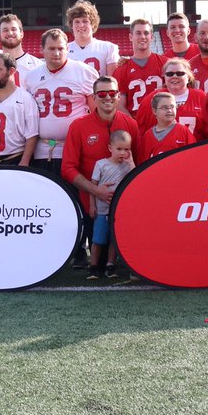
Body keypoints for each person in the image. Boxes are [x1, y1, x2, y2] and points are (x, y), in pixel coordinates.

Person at [62, 76, 137, 272]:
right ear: (94, 98)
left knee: (117, 260)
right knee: (98, 257)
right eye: (102, 94)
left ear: (118, 96)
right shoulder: (79, 126)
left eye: (112, 93)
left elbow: (139, 164)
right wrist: (95, 191)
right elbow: (68, 168)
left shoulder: (130, 125)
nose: (107, 98)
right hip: (91, 205)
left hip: (123, 203)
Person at [26, 28, 98, 172]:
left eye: (60, 48)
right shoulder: (31, 76)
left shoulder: (83, 71)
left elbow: (96, 113)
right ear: (42, 50)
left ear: (67, 49)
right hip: (41, 150)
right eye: (51, 49)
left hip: (74, 149)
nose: (57, 53)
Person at [87, 129, 135, 280]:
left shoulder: (128, 167)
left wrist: (132, 162)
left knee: (114, 240)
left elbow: (135, 181)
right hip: (101, 210)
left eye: (126, 149)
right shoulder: (101, 164)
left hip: (118, 212)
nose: (122, 152)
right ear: (110, 148)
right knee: (98, 240)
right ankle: (93, 266)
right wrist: (92, 206)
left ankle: (110, 265)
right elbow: (92, 187)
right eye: (119, 149)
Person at [135, 58, 207, 137]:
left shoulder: (201, 97)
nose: (174, 76)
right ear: (164, 77)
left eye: (180, 73)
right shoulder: (152, 98)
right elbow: (142, 131)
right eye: (170, 74)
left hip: (194, 148)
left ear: (188, 77)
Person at [112, 18, 165, 116]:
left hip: (162, 122)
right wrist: (134, 125)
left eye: (146, 33)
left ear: (151, 37)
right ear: (130, 37)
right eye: (138, 33)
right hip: (135, 121)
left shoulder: (165, 63)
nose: (142, 36)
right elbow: (119, 105)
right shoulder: (122, 69)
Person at [137, 91, 196, 163]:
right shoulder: (147, 136)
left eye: (172, 107)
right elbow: (143, 163)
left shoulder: (184, 132)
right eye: (164, 108)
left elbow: (193, 158)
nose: (169, 110)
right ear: (154, 111)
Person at [66, 0, 119, 76]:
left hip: (99, 88)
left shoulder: (108, 48)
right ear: (71, 25)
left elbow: (113, 81)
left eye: (85, 21)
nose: (81, 25)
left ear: (93, 24)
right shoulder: (64, 50)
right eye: (77, 21)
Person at [0, 13, 41, 83]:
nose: (10, 33)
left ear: (21, 34)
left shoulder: (38, 65)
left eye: (13, 29)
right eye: (5, 30)